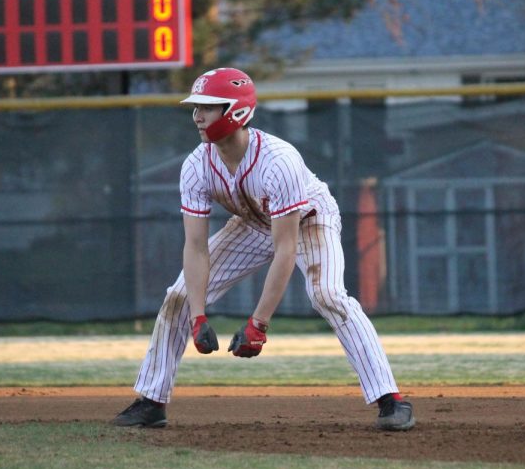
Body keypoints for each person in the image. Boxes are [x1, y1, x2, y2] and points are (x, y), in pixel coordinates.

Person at [111, 67, 414, 431]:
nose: (197, 116)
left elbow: (285, 249)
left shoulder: (278, 161)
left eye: (207, 106)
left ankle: (390, 399)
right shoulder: (196, 165)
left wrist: (258, 325)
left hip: (308, 221)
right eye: (195, 107)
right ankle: (152, 401)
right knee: (178, 296)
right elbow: (195, 246)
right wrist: (197, 316)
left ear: (236, 111)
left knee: (328, 295)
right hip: (253, 223)